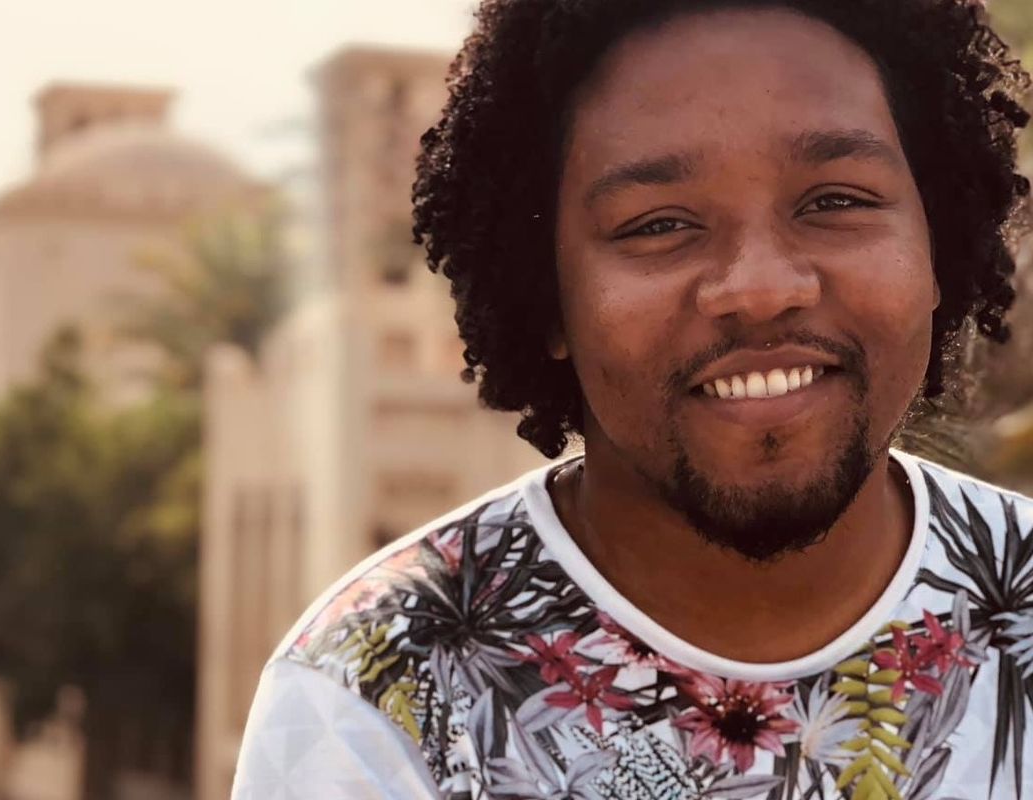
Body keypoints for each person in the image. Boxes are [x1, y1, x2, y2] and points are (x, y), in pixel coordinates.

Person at [231, 0, 1033, 797]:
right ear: (547, 294)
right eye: (658, 225)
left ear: (937, 242)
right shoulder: (370, 703)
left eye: (835, 201)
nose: (760, 288)